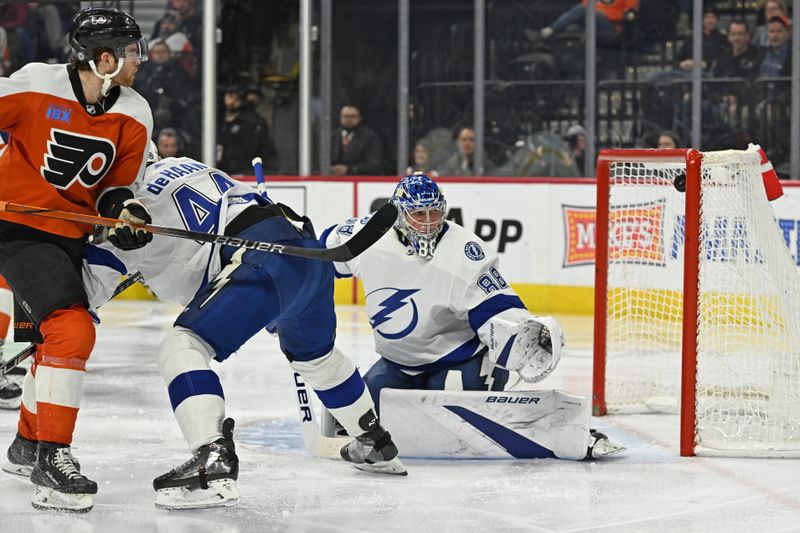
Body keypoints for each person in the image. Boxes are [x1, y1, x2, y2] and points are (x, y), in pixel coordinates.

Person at [75, 148, 406, 509]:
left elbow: (85, 292)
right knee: (317, 359)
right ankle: (374, 442)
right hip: (307, 259)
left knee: (181, 346)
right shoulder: (188, 166)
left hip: (262, 261)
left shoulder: (128, 207)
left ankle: (211, 455)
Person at [321, 173, 621, 459]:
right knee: (349, 419)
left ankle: (546, 424)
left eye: (434, 213)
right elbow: (322, 257)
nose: (428, 224)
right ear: (398, 215)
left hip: (459, 360)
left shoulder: (464, 252)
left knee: (453, 419)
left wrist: (521, 336)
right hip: (398, 363)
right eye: (419, 215)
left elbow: (497, 309)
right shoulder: (366, 237)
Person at [0, 7, 154, 513]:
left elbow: (114, 189)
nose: (139, 60)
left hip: (69, 238)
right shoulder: (35, 84)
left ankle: (26, 443)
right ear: (103, 57)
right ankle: (52, 457)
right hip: (16, 230)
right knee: (72, 330)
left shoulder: (134, 112)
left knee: (49, 340)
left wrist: (125, 212)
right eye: (131, 51)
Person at [217, 84, 280, 174]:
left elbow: (257, 152)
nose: (232, 100)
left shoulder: (253, 122)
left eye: (236, 97)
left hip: (244, 174)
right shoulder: (217, 121)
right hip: (222, 172)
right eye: (230, 95)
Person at [539, 0, 639, 44]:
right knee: (571, 29)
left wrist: (604, 13)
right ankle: (548, 41)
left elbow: (630, 13)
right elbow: (584, 6)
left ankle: (551, 30)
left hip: (611, 27)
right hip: (591, 23)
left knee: (582, 10)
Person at [330, 104, 384, 176]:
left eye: (352, 116)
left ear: (359, 118)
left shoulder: (369, 137)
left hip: (361, 180)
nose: (349, 119)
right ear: (340, 118)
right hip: (333, 180)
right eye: (345, 116)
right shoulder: (333, 136)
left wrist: (349, 169)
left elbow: (374, 164)